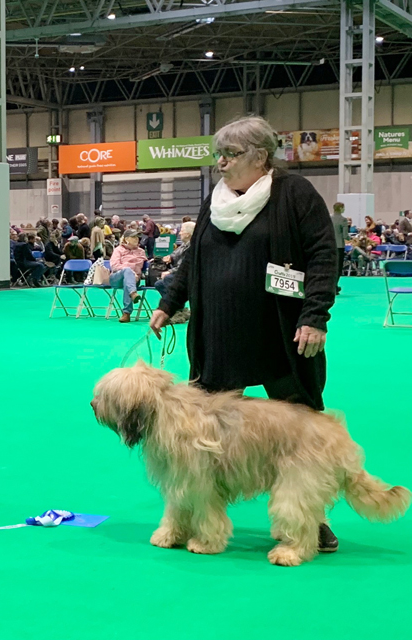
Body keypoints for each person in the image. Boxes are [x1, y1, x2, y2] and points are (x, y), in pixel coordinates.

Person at [149, 115, 339, 552]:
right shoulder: (213, 200)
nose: (220, 163)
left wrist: (314, 316)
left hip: (281, 332)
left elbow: (323, 255)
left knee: (300, 428)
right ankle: (202, 514)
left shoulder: (294, 194)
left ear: (259, 156)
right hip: (219, 332)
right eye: (218, 154)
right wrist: (168, 302)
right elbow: (193, 260)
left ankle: (311, 519)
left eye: (229, 154)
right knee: (204, 433)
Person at [109, 233, 146, 323]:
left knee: (128, 281)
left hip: (133, 279)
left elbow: (140, 265)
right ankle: (132, 294)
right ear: (126, 239)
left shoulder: (141, 251)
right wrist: (130, 271)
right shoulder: (118, 250)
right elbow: (114, 266)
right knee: (127, 271)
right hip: (116, 277)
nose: (136, 239)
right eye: (133, 237)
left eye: (137, 237)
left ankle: (126, 313)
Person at [154, 226, 193, 300]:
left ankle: (175, 305)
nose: (179, 233)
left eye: (182, 231)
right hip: (179, 273)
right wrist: (170, 257)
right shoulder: (183, 245)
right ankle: (177, 309)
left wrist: (169, 271)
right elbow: (174, 254)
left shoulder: (192, 247)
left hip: (188, 275)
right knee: (159, 284)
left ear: (188, 234)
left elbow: (184, 266)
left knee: (168, 278)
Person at [330, 203, 349, 294]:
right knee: (338, 267)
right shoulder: (343, 220)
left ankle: (329, 286)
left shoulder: (328, 218)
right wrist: (352, 239)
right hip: (339, 246)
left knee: (330, 266)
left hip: (329, 245)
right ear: (341, 208)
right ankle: (334, 286)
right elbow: (345, 235)